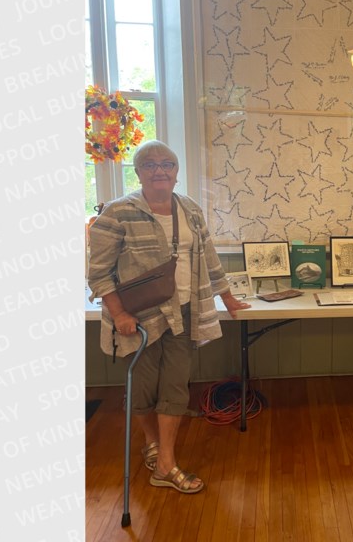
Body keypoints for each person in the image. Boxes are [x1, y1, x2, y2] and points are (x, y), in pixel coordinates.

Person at [88, 140, 250, 493]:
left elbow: (208, 256)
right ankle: (151, 442)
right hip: (139, 318)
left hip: (184, 312)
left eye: (167, 164)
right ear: (138, 172)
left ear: (176, 173)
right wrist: (118, 314)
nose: (159, 170)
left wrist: (228, 297)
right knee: (143, 389)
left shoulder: (189, 208)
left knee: (176, 387)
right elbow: (98, 274)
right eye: (150, 164)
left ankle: (165, 464)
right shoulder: (116, 213)